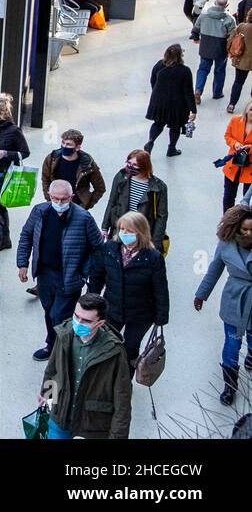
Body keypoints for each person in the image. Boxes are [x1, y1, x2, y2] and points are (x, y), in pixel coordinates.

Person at [17, 179, 105, 360]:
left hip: (69, 276)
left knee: (60, 315)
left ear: (71, 197)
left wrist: (84, 272)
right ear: (49, 196)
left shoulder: (83, 218)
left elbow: (97, 247)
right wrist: (22, 263)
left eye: (63, 199)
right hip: (44, 274)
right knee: (49, 311)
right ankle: (51, 344)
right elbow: (26, 235)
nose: (59, 203)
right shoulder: (40, 212)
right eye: (55, 198)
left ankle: (64, 349)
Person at [39, 293, 132, 439]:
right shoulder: (65, 334)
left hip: (91, 427)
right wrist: (48, 398)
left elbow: (122, 400)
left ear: (100, 323)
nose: (78, 322)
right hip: (60, 419)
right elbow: (53, 370)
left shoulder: (114, 351)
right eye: (76, 316)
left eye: (86, 320)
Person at [87, 211, 169, 367]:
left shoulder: (153, 258)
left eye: (130, 231)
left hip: (140, 315)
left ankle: (123, 385)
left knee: (129, 351)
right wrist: (90, 301)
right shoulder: (110, 248)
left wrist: (161, 319)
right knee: (106, 347)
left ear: (141, 232)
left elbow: (160, 289)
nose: (124, 233)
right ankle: (106, 381)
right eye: (122, 229)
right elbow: (97, 275)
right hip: (112, 309)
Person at [195, 204, 252, 405]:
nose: (248, 233)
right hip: (234, 300)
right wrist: (201, 294)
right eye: (244, 229)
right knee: (232, 342)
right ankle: (230, 385)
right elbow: (215, 269)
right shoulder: (226, 243)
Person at [100, 149, 169, 250]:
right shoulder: (121, 177)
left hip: (141, 232)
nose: (130, 167)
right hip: (120, 229)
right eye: (128, 163)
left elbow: (161, 217)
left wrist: (155, 243)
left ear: (145, 166)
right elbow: (112, 202)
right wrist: (105, 227)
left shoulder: (159, 187)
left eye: (135, 165)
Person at [145, 43, 197, 157]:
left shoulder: (159, 65)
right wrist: (193, 110)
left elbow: (153, 80)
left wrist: (156, 93)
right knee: (175, 126)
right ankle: (171, 148)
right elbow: (188, 92)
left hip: (159, 101)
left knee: (158, 123)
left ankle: (150, 141)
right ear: (180, 56)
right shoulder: (185, 71)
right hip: (177, 105)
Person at [39, 129, 107, 210]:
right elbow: (45, 180)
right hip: (55, 204)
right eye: (63, 143)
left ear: (77, 147)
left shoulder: (88, 164)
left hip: (76, 206)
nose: (64, 146)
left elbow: (100, 188)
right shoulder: (52, 159)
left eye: (68, 144)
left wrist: (86, 204)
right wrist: (49, 199)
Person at [193, 0, 238, 105]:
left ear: (214, 3)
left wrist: (196, 37)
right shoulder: (229, 19)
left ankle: (198, 90)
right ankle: (217, 93)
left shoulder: (204, 15)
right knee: (219, 70)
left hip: (206, 46)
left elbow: (196, 29)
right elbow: (233, 36)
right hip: (220, 48)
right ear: (227, 5)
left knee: (203, 69)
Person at [221, 100, 252, 210]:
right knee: (228, 196)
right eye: (251, 110)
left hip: (250, 167)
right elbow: (227, 136)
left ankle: (245, 223)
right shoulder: (235, 120)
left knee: (247, 199)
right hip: (233, 164)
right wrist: (235, 144)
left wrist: (249, 148)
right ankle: (228, 221)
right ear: (246, 111)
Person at [228, 9, 252, 112]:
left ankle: (232, 104)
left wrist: (230, 51)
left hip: (242, 59)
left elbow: (231, 39)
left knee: (238, 82)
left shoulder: (242, 26)